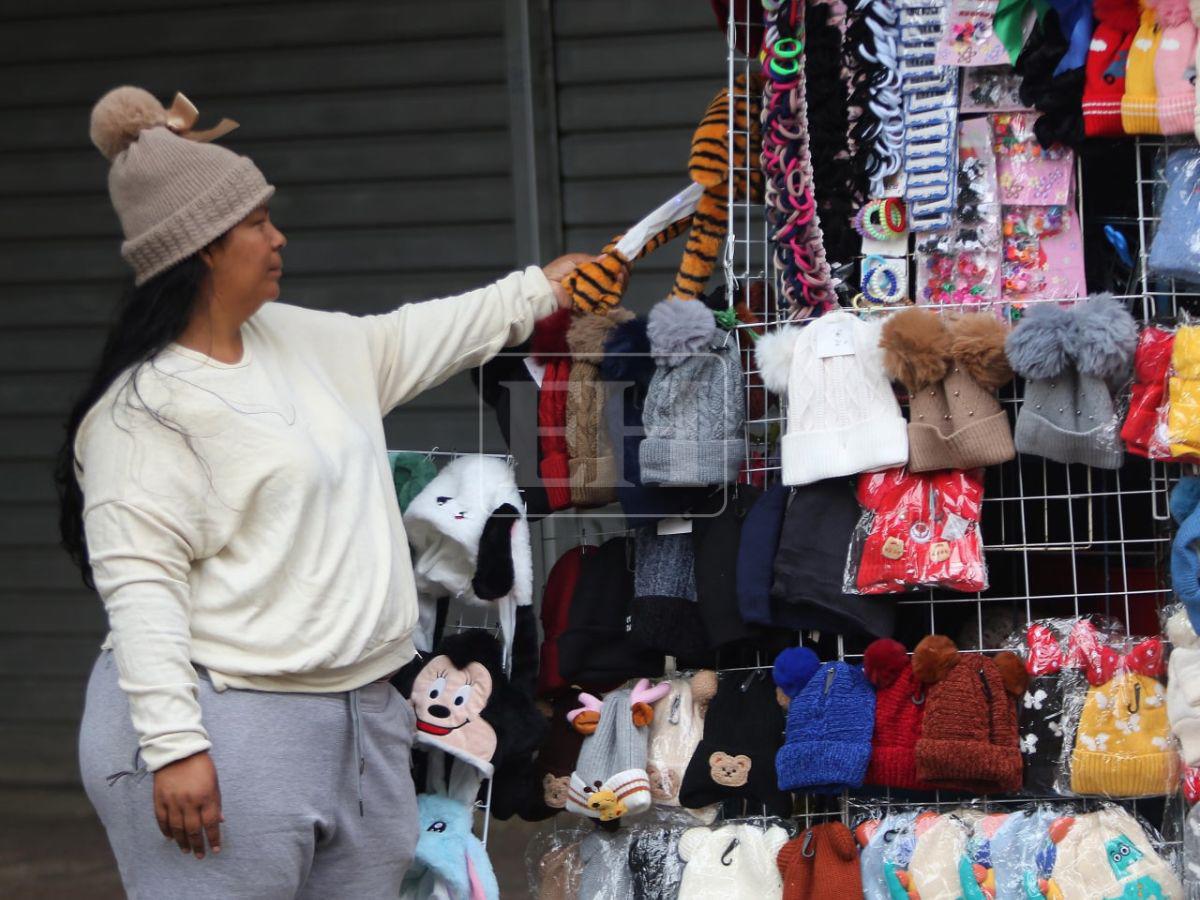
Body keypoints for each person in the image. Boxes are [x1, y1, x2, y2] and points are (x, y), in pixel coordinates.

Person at [57, 85, 591, 899]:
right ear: (203, 246)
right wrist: (173, 747)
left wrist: (540, 291)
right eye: (257, 221)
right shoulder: (146, 413)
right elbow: (140, 590)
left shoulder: (302, 340)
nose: (279, 237)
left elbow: (417, 334)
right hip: (226, 723)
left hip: (364, 715)